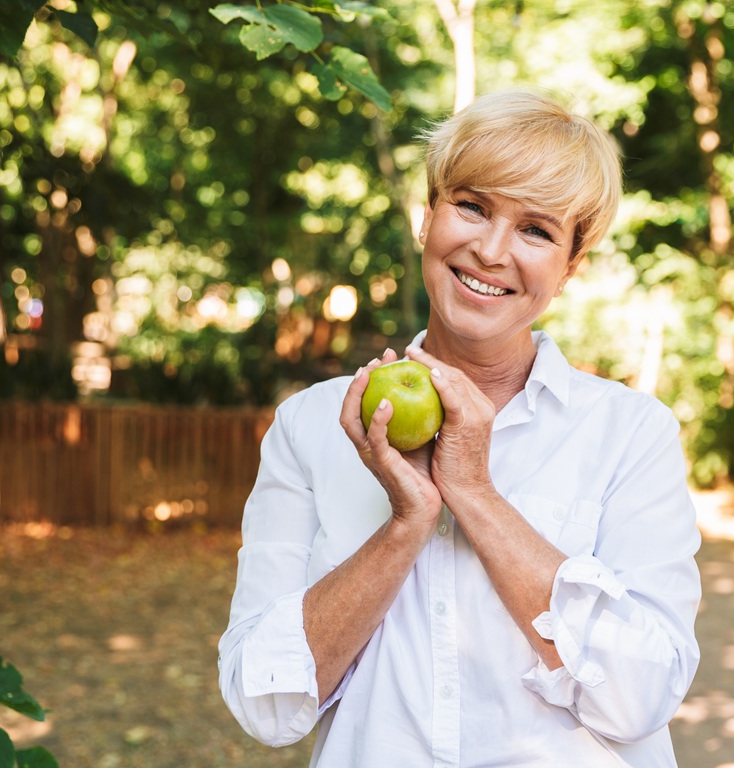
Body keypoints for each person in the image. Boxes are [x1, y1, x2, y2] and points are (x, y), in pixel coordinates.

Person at [218, 89, 702, 767]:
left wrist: (473, 490)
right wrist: (406, 525)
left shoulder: (630, 434)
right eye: (472, 207)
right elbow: (262, 705)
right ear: (428, 219)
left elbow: (643, 696)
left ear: (571, 266)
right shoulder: (311, 425)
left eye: (537, 230)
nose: (491, 250)